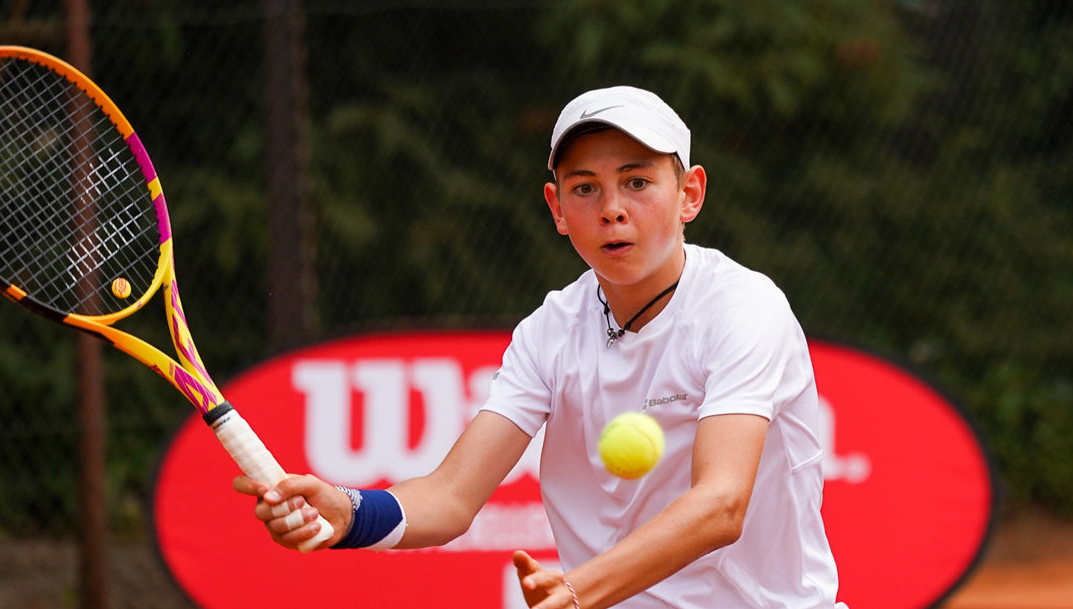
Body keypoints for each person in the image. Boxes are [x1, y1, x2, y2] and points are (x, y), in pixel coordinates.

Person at [233, 85, 846, 609]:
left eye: (637, 182)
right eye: (585, 189)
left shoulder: (744, 307)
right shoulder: (549, 332)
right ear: (556, 207)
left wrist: (579, 589)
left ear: (690, 194)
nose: (612, 210)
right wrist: (346, 511)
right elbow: (450, 497)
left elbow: (721, 504)